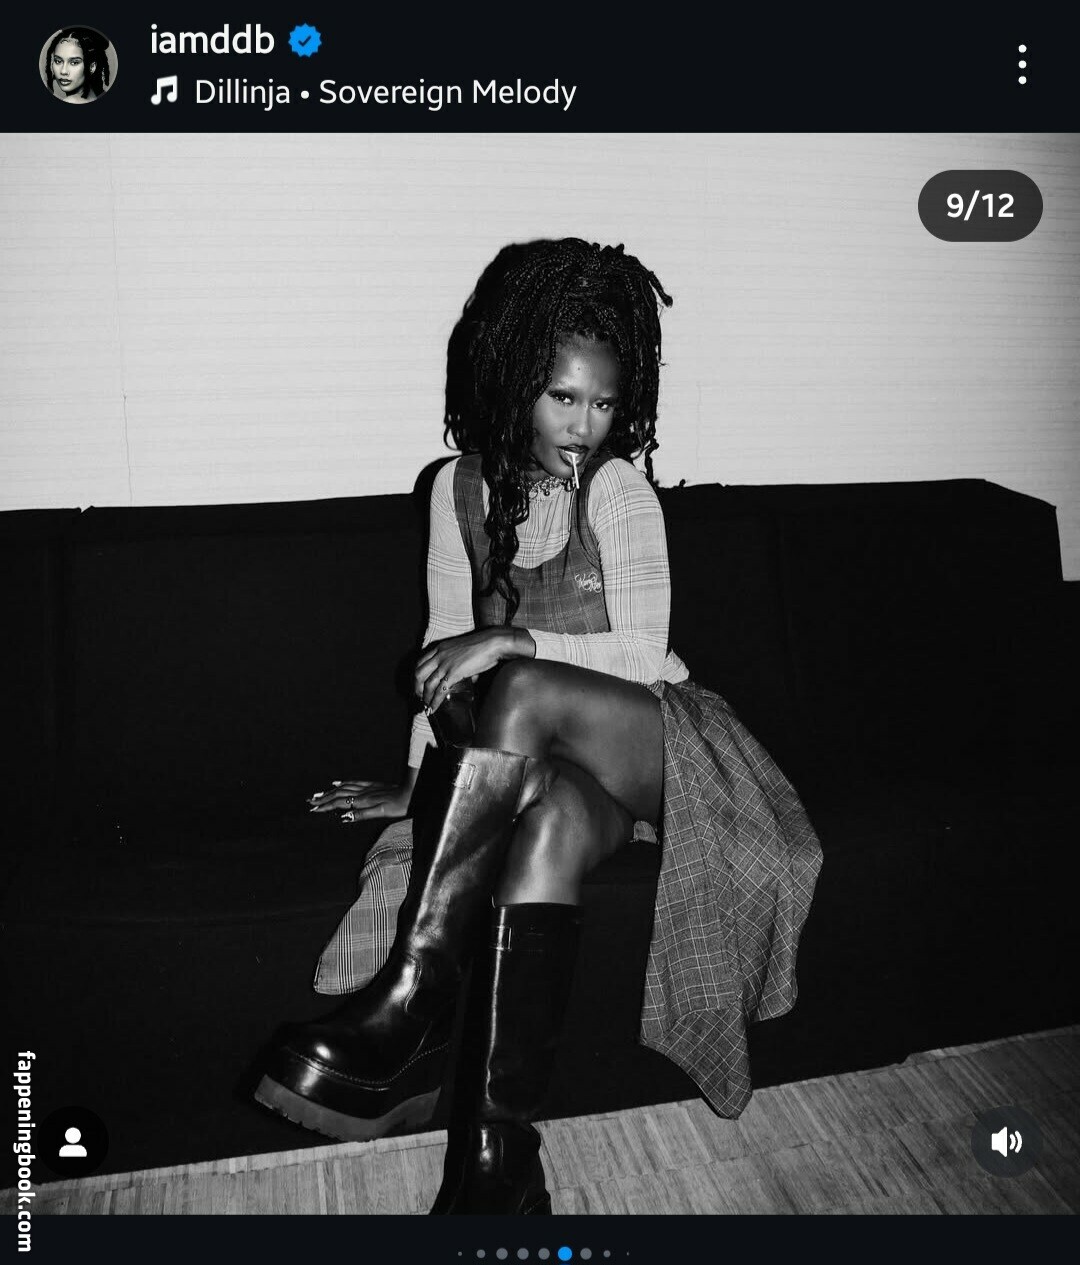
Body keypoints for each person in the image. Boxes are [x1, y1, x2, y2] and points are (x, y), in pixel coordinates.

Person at [254, 238, 823, 1215]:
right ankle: (497, 1159)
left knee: (515, 681)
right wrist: (420, 782)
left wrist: (511, 635)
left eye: (604, 402)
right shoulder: (457, 490)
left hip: (665, 748)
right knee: (545, 826)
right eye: (564, 397)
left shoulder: (619, 489)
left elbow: (642, 653)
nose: (585, 424)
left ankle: (414, 997)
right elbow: (441, 652)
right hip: (562, 774)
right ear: (517, 382)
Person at [44, 28, 111, 103]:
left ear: (92, 67)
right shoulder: (95, 95)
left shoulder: (71, 101)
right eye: (58, 61)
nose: (63, 71)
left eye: (74, 63)